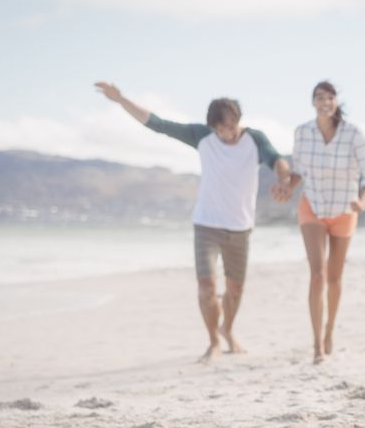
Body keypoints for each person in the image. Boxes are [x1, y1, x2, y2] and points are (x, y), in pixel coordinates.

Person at [95, 81, 293, 363]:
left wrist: (285, 178)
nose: (222, 134)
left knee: (235, 289)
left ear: (237, 121)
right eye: (217, 129)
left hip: (240, 227)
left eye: (227, 127)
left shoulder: (255, 139)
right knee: (207, 286)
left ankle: (228, 329)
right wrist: (121, 99)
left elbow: (277, 160)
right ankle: (213, 341)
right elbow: (158, 124)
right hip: (207, 225)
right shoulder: (202, 136)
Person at [276, 81, 365, 363]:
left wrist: (364, 199)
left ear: (336, 102)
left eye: (330, 96)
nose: (325, 101)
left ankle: (330, 329)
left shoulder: (353, 133)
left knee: (334, 277)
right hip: (312, 205)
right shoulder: (302, 133)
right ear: (313, 102)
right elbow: (298, 173)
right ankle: (317, 345)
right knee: (317, 273)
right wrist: (288, 186)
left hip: (345, 209)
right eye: (319, 97)